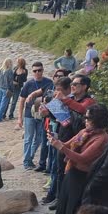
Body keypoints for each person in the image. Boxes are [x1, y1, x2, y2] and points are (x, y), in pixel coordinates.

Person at [50, 104, 108, 214]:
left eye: (88, 118)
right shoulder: (84, 132)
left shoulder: (101, 138)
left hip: (82, 177)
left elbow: (83, 158)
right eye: (85, 118)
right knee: (63, 205)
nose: (85, 121)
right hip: (72, 172)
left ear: (97, 120)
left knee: (72, 209)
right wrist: (55, 140)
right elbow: (67, 145)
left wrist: (61, 147)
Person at [40, 76, 74, 207]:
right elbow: (56, 117)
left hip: (68, 138)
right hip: (58, 135)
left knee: (61, 169)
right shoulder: (59, 99)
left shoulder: (71, 100)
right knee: (56, 168)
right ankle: (57, 196)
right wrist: (47, 113)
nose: (56, 92)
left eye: (59, 89)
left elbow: (70, 120)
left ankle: (61, 198)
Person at [18, 62, 54, 170]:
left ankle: (30, 157)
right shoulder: (28, 84)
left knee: (38, 138)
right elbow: (22, 100)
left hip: (42, 115)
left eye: (39, 70)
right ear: (32, 71)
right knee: (28, 138)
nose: (37, 72)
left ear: (43, 70)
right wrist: (20, 118)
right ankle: (26, 161)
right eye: (35, 71)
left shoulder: (48, 82)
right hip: (29, 114)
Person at [0, 58, 15, 123]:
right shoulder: (10, 71)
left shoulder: (1, 69)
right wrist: (12, 90)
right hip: (6, 89)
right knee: (3, 105)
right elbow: (10, 82)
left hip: (0, 88)